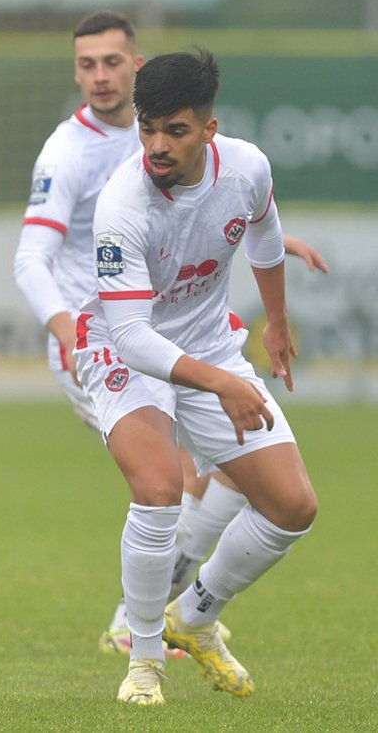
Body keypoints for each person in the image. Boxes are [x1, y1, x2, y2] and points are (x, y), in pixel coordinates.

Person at [12, 11, 326, 657]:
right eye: (85, 65)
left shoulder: (186, 140)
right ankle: (139, 626)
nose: (99, 77)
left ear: (139, 67)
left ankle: (178, 611)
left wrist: (262, 238)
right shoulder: (69, 154)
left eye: (111, 63)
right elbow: (30, 259)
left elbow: (215, 209)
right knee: (170, 483)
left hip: (189, 331)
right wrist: (65, 325)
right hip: (102, 338)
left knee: (242, 478)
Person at [75, 49, 317, 705]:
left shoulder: (247, 168)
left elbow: (265, 234)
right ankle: (145, 660)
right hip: (121, 356)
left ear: (209, 130)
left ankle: (198, 616)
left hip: (209, 350)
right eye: (146, 127)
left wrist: (274, 321)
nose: (156, 144)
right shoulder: (121, 205)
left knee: (293, 509)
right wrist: (221, 382)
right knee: (157, 489)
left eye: (174, 131)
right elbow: (130, 335)